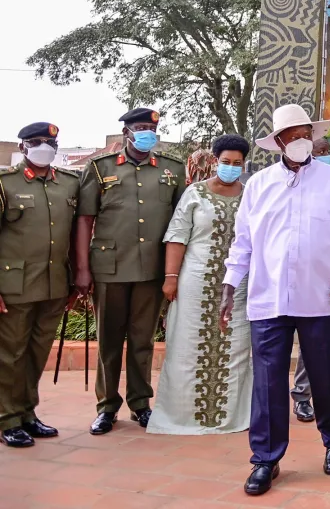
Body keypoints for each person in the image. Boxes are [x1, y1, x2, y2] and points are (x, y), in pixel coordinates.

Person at [221, 104, 330, 496]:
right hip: (269, 298)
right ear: (279, 142)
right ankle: (265, 459)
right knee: (268, 381)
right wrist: (229, 283)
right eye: (293, 135)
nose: (302, 140)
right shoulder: (259, 185)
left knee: (329, 376)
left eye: (307, 132)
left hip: (322, 296)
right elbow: (243, 243)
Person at [75, 108, 186, 435]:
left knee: (142, 341)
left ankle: (140, 403)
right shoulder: (100, 169)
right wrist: (82, 269)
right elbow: (84, 220)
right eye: (139, 128)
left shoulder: (172, 170)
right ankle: (107, 406)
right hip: (109, 269)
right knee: (109, 341)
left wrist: (173, 272)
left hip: (152, 269)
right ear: (125, 132)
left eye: (151, 128)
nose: (146, 133)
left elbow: (180, 225)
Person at [146, 135, 251, 435]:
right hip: (195, 282)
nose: (231, 167)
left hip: (238, 285)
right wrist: (170, 278)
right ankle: (183, 416)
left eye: (237, 163)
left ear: (244, 164)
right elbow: (177, 236)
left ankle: (230, 416)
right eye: (226, 162)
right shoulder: (195, 193)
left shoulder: (250, 196)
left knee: (236, 348)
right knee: (187, 346)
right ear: (215, 161)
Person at [0, 123, 84, 448]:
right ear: (22, 147)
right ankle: (7, 419)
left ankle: (26, 413)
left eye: (50, 142)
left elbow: (77, 232)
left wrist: (78, 279)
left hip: (54, 284)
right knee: (10, 355)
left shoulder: (69, 184)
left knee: (36, 353)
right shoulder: (6, 185)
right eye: (36, 142)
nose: (43, 147)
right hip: (14, 285)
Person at [290, 137, 330, 424]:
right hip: (279, 282)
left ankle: (302, 396)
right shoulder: (272, 184)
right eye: (320, 152)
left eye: (327, 152)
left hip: (320, 282)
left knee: (312, 346)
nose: (324, 157)